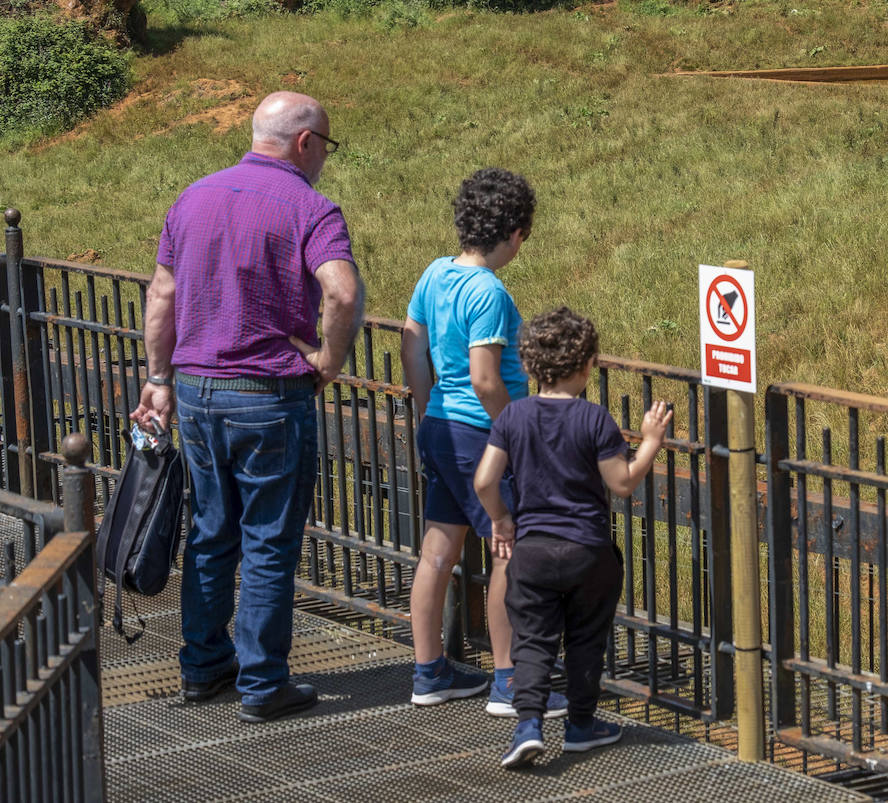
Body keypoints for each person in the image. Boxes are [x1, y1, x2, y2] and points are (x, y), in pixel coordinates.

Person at [131, 91, 365, 723]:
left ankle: (203, 668)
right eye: (326, 147)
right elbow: (341, 292)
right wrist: (327, 361)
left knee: (211, 532)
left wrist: (159, 378)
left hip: (198, 393)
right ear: (305, 142)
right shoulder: (311, 208)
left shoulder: (194, 196)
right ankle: (263, 684)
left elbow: (162, 294)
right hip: (268, 396)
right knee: (268, 541)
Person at [473, 306, 673, 769]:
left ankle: (528, 726)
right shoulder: (595, 419)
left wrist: (501, 520)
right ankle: (582, 724)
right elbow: (622, 482)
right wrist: (650, 443)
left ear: (527, 366)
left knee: (533, 639)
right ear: (586, 367)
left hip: (533, 553)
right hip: (588, 551)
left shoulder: (513, 418)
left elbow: (485, 481)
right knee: (586, 639)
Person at [400, 167, 566, 717]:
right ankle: (510, 682)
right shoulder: (488, 292)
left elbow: (411, 341)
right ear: (515, 233)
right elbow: (486, 378)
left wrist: (427, 409)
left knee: (437, 552)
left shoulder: (434, 274)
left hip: (441, 430)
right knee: (508, 551)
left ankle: (429, 672)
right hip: (482, 436)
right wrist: (518, 431)